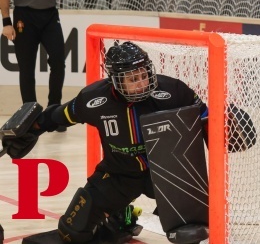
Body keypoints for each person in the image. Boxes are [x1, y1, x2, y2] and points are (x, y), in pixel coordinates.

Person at [3, 42, 210, 244]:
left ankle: (131, 215)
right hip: (118, 174)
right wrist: (32, 128)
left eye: (144, 75)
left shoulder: (173, 91)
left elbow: (205, 115)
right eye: (132, 79)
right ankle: (123, 218)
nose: (141, 83)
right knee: (71, 233)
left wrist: (228, 127)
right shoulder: (94, 99)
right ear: (115, 80)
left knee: (188, 232)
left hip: (165, 174)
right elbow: (60, 115)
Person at [1, 0, 68, 132]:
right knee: (27, 68)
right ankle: (29, 115)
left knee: (58, 61)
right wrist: (6, 22)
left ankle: (54, 112)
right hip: (24, 18)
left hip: (49, 17)